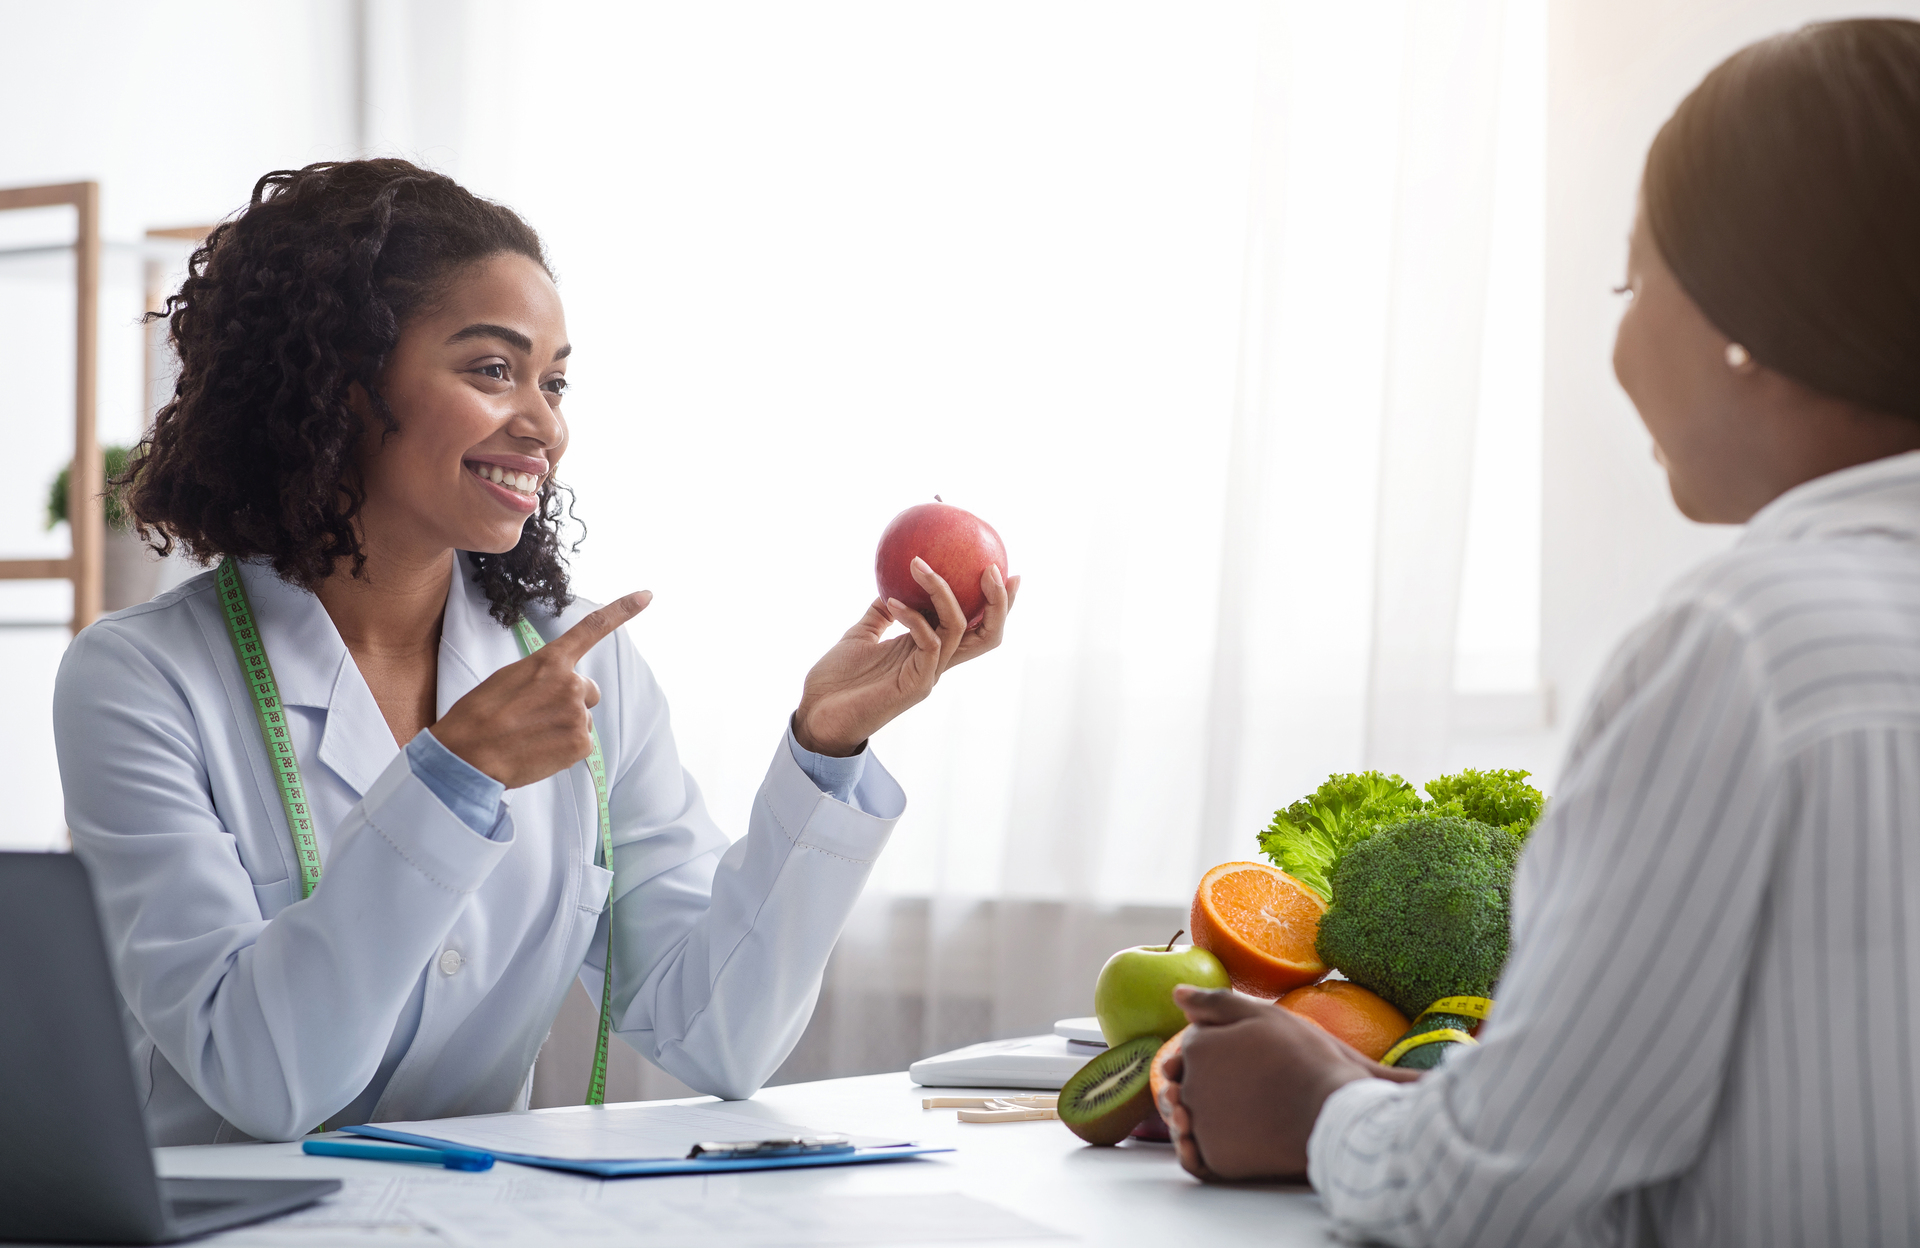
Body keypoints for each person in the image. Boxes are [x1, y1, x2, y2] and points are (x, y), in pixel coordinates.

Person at [52, 159, 1017, 1145]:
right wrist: (452, 780)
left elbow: (716, 1033)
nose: (545, 424)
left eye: (553, 381)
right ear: (341, 384)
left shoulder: (581, 666)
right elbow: (259, 1076)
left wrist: (827, 748)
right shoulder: (143, 680)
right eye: (492, 369)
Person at [1159, 18, 1920, 1247]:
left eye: (1633, 284)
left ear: (1750, 318)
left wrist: (1318, 1110)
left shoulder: (1741, 650)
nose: (1617, 342)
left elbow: (1493, 1194)